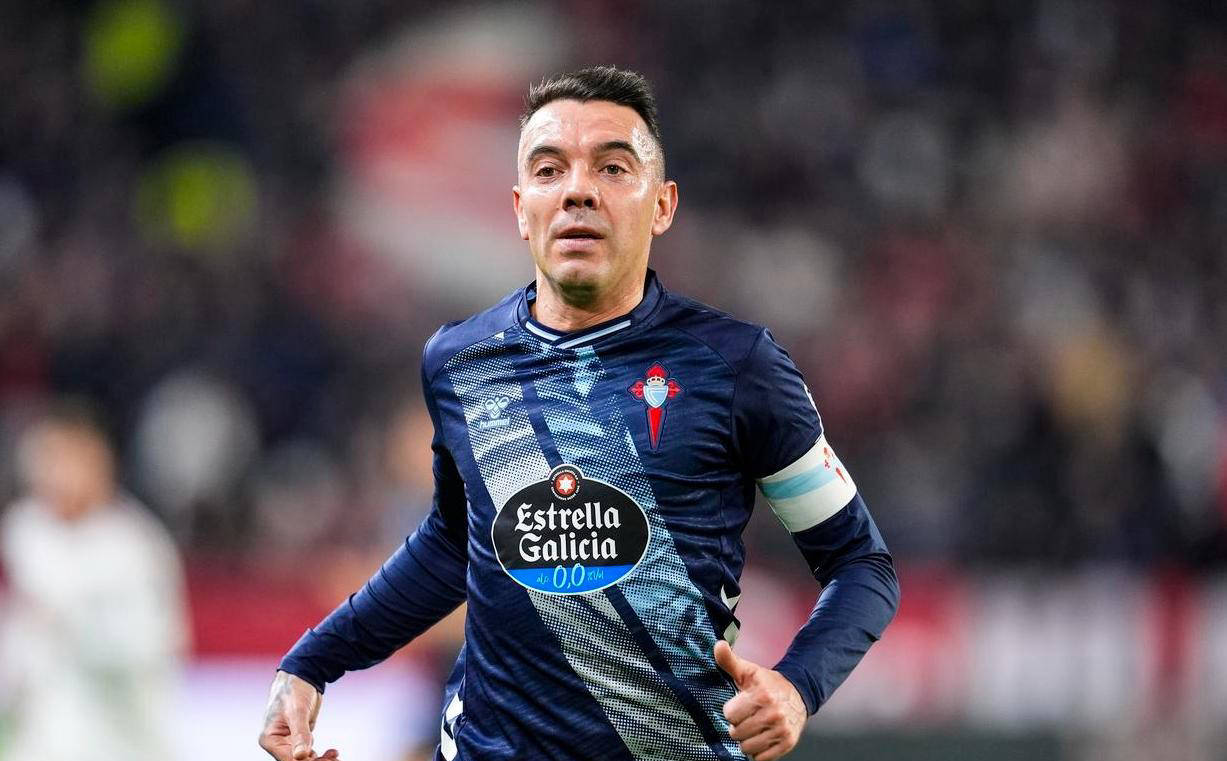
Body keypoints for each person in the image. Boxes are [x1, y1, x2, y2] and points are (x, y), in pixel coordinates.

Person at [260, 66, 899, 761]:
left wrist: (797, 686)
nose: (577, 191)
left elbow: (860, 562)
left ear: (662, 205)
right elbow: (453, 544)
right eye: (548, 170)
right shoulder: (458, 362)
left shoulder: (736, 365)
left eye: (612, 168)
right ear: (519, 207)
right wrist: (311, 662)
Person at [0, 406, 188, 761]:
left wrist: (73, 623)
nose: (52, 475)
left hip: (118, 739)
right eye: (44, 461)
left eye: (64, 461)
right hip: (41, 738)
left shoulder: (134, 546)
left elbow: (156, 643)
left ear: (98, 464)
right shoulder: (26, 530)